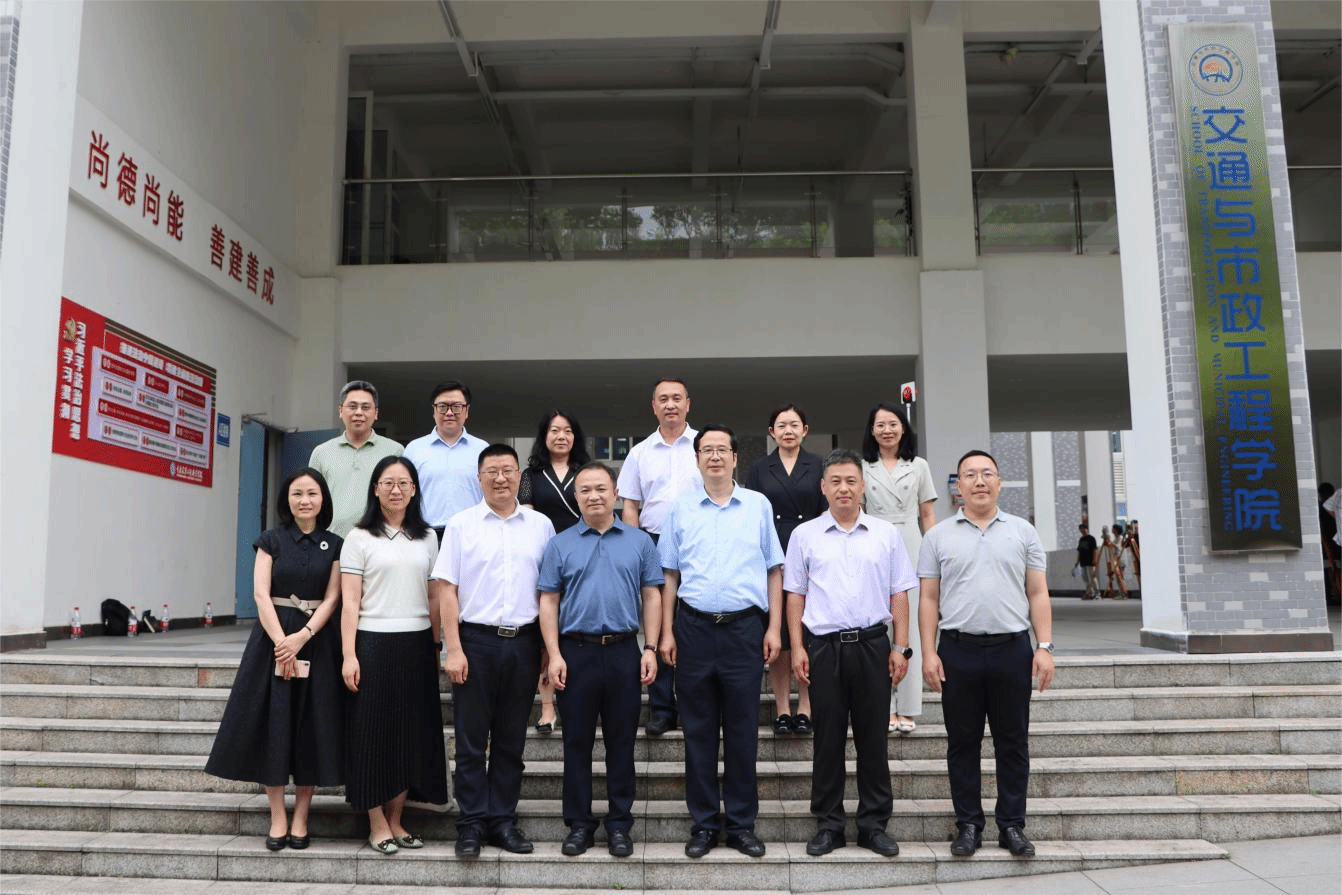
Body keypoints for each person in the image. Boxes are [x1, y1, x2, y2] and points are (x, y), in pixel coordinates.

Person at [918, 449, 1054, 860]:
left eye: (987, 474)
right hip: (957, 650)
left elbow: (1038, 592)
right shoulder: (937, 536)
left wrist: (1044, 647)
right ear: (957, 486)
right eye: (970, 475)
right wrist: (928, 653)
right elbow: (928, 598)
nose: (979, 481)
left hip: (1012, 650)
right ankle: (968, 825)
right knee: (962, 743)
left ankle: (1012, 825)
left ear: (999, 482)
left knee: (1013, 742)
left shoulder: (1023, 532)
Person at [659, 425, 784, 859]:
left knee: (743, 731)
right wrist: (666, 631)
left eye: (722, 450)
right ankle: (705, 824)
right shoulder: (680, 509)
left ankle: (742, 825)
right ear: (697, 459)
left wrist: (774, 628)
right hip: (693, 629)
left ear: (734, 458)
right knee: (698, 732)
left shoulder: (758, 505)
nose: (714, 456)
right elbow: (669, 574)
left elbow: (774, 570)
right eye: (706, 450)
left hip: (744, 630)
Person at [205, 468, 344, 851]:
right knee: (275, 725)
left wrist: (303, 636)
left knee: (310, 727)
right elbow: (260, 595)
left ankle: (302, 816)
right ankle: (278, 816)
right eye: (297, 493)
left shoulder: (335, 544)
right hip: (272, 641)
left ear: (323, 499)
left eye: (312, 493)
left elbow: (333, 597)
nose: (305, 500)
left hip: (316, 641)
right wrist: (283, 642)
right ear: (287, 499)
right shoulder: (270, 540)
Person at [785, 449, 915, 858]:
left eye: (851, 481)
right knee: (827, 740)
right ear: (823, 487)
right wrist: (797, 647)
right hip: (824, 648)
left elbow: (899, 593)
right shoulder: (804, 536)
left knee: (873, 739)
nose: (844, 488)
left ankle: (874, 825)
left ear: (863, 487)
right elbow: (795, 595)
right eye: (836, 481)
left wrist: (900, 647)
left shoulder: (885, 534)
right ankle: (829, 825)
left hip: (874, 646)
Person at [433, 444, 555, 857]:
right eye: (491, 471)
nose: (500, 478)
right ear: (479, 478)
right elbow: (446, 590)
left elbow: (549, 592)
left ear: (519, 475)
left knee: (510, 740)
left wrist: (547, 648)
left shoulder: (540, 526)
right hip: (475, 643)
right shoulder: (461, 524)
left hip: (524, 642)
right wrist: (453, 648)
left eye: (507, 470)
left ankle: (502, 821)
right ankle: (470, 824)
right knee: (470, 740)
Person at [538, 462, 663, 858]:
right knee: (576, 743)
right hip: (576, 652)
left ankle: (620, 825)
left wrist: (650, 648)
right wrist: (554, 654)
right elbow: (548, 601)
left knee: (621, 743)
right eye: (585, 490)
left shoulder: (639, 542)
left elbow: (652, 596)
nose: (594, 496)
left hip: (625, 650)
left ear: (615, 493)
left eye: (601, 489)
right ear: (575, 496)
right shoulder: (560, 544)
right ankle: (579, 825)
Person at [340, 455, 449, 855]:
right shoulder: (358, 538)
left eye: (404, 483)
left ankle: (397, 819)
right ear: (375, 489)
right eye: (388, 482)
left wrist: (436, 646)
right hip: (372, 642)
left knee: (409, 733)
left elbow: (435, 596)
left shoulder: (428, 537)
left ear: (415, 489)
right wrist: (349, 655)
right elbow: (350, 603)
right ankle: (376, 822)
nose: (396, 490)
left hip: (416, 644)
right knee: (371, 733)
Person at [617, 377, 702, 736]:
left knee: (692, 622)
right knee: (656, 623)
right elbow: (630, 505)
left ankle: (695, 706)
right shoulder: (639, 453)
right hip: (651, 540)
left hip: (698, 541)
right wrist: (635, 546)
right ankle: (663, 708)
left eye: (676, 398)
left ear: (688, 404)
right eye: (663, 399)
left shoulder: (702, 446)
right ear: (653, 406)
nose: (670, 404)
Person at [742, 403, 823, 736]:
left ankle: (805, 706)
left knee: (806, 631)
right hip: (772, 550)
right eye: (781, 425)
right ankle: (782, 708)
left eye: (794, 424)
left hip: (811, 549)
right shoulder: (759, 468)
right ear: (771, 432)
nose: (788, 430)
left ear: (805, 430)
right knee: (778, 633)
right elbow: (751, 514)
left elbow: (825, 511)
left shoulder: (819, 465)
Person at [859, 401, 937, 735]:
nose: (887, 430)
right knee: (879, 627)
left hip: (911, 543)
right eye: (880, 425)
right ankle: (885, 706)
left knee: (911, 629)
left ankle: (907, 707)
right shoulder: (863, 467)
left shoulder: (918, 466)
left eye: (893, 424)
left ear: (903, 428)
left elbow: (927, 514)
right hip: (873, 542)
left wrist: (936, 553)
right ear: (872, 430)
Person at [519, 410, 592, 732]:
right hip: (544, 557)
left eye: (567, 430)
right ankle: (548, 707)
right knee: (544, 632)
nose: (561, 436)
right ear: (544, 436)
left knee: (576, 628)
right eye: (554, 430)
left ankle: (581, 699)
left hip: (583, 556)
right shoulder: (531, 475)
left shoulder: (585, 472)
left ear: (575, 436)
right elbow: (526, 519)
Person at [309, 380, 404, 537]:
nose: (359, 412)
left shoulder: (395, 451)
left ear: (376, 413)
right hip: (332, 541)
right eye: (352, 407)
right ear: (340, 411)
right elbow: (311, 498)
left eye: (365, 407)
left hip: (381, 540)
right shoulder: (321, 453)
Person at [403, 380, 488, 536]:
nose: (449, 413)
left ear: (467, 411)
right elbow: (403, 494)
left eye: (456, 406)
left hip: (472, 534)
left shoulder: (483, 450)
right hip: (425, 535)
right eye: (442, 407)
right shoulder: (414, 449)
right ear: (434, 410)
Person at [1098, 525, 1128, 599]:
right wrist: (1108, 543)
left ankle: (1124, 594)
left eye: (1113, 529)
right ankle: (1121, 593)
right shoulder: (1115, 539)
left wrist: (1111, 543)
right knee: (1118, 578)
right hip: (1116, 560)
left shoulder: (1120, 538)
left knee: (1120, 577)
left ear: (1117, 530)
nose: (1112, 530)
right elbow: (1112, 547)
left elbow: (1118, 547)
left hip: (1121, 560)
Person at [1075, 524, 1099, 600]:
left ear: (1087, 529)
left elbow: (1094, 550)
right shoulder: (1081, 540)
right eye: (1080, 529)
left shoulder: (1091, 539)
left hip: (1090, 561)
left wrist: (1094, 559)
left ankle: (1097, 593)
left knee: (1092, 577)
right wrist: (1077, 562)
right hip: (1083, 562)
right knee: (1085, 579)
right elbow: (1079, 551)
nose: (1082, 530)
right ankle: (1090, 592)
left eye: (1083, 528)